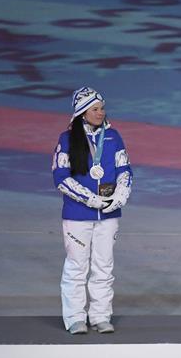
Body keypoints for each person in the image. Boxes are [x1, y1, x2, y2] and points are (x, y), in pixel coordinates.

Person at [52, 87, 133, 334]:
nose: (101, 113)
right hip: (78, 215)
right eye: (95, 109)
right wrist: (90, 199)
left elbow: (125, 170)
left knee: (104, 265)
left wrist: (120, 196)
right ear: (82, 112)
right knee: (77, 266)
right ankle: (75, 317)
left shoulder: (113, 137)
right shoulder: (67, 139)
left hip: (108, 214)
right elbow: (60, 178)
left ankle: (100, 315)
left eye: (102, 108)